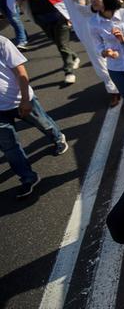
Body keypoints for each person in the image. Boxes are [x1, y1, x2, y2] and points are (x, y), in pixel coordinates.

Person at [49, 0, 122, 107]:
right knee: (98, 61)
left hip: (104, 26)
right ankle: (113, 90)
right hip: (86, 30)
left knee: (116, 53)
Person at [0, 35, 68, 198]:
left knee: (44, 124)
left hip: (20, 99)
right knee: (9, 147)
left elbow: (21, 72)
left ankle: (57, 137)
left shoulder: (2, 43)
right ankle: (28, 177)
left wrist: (25, 100)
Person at [10, 0, 80, 85]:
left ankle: (68, 71)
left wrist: (69, 13)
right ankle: (74, 57)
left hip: (59, 14)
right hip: (40, 17)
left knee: (62, 45)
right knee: (58, 43)